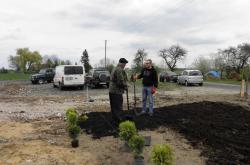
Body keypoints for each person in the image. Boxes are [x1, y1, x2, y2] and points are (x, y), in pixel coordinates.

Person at [109, 58, 129, 123]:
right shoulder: (119, 70)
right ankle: (119, 121)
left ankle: (114, 120)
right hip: (116, 91)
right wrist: (125, 86)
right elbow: (120, 82)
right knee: (118, 107)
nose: (125, 65)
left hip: (112, 91)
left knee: (114, 107)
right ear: (122, 63)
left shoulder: (114, 68)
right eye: (125, 64)